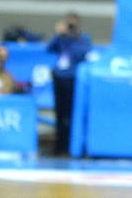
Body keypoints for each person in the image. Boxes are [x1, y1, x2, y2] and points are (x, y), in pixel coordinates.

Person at [46, 12, 93, 156]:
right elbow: (49, 48)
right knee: (60, 114)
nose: (70, 26)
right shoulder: (61, 38)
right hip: (59, 77)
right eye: (68, 23)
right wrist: (58, 34)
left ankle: (72, 146)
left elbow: (82, 53)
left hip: (73, 79)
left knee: (72, 113)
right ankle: (59, 146)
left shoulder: (83, 38)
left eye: (73, 23)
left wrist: (72, 38)